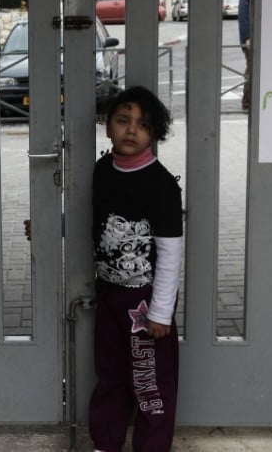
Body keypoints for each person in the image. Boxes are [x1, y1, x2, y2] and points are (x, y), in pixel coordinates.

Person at [89, 86, 183, 452]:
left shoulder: (161, 185)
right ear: (108, 126)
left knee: (149, 383)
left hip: (144, 308)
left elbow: (171, 251)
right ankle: (105, 443)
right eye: (122, 121)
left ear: (155, 133)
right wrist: (53, 226)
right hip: (108, 296)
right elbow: (94, 220)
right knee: (110, 376)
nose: (131, 130)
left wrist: (161, 311)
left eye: (142, 124)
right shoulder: (102, 170)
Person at [237, 0, 252, 111]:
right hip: (250, 42)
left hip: (255, 40)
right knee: (251, 72)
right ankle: (247, 104)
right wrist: (247, 37)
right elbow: (243, 19)